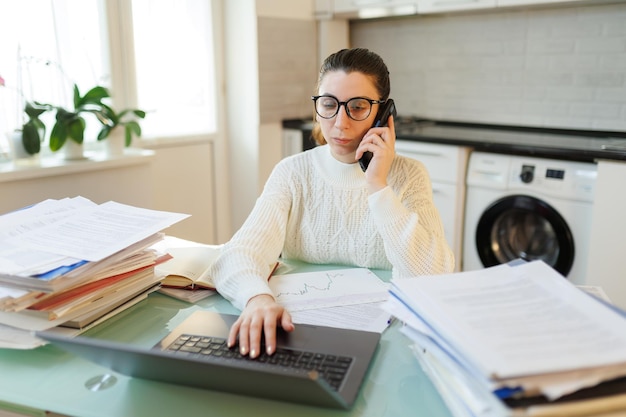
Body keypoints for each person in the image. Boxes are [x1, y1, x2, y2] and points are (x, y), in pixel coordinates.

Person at [209, 47, 454, 359]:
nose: (340, 123)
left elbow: (433, 276)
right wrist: (257, 298)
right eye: (329, 104)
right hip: (301, 336)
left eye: (358, 107)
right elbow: (236, 255)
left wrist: (378, 186)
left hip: (387, 344)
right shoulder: (292, 172)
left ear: (383, 114)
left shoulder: (409, 176)